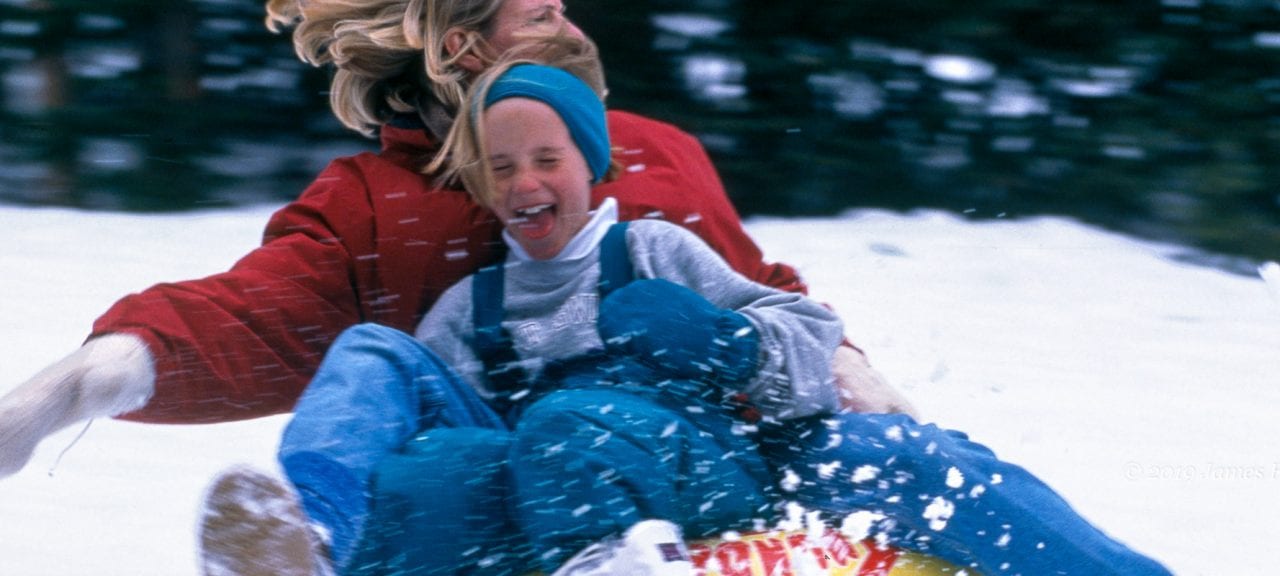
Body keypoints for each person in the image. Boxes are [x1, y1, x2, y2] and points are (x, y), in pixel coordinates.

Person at [204, 47, 1173, 576]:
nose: (524, 182)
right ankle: (315, 547)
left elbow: (807, 341)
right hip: (533, 487)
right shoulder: (472, 305)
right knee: (387, 379)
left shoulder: (656, 249)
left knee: (565, 422)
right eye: (499, 168)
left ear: (589, 165)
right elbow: (424, 422)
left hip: (695, 461)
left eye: (545, 159)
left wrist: (727, 341)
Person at [0, 0, 913, 481]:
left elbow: (767, 298)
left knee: (916, 468)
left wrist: (879, 406)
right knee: (377, 375)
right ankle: (330, 536)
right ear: (464, 43)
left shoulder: (655, 152)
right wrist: (56, 396)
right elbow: (244, 322)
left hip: (723, 461)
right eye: (537, 5)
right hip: (516, 493)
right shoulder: (377, 206)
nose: (562, 4)